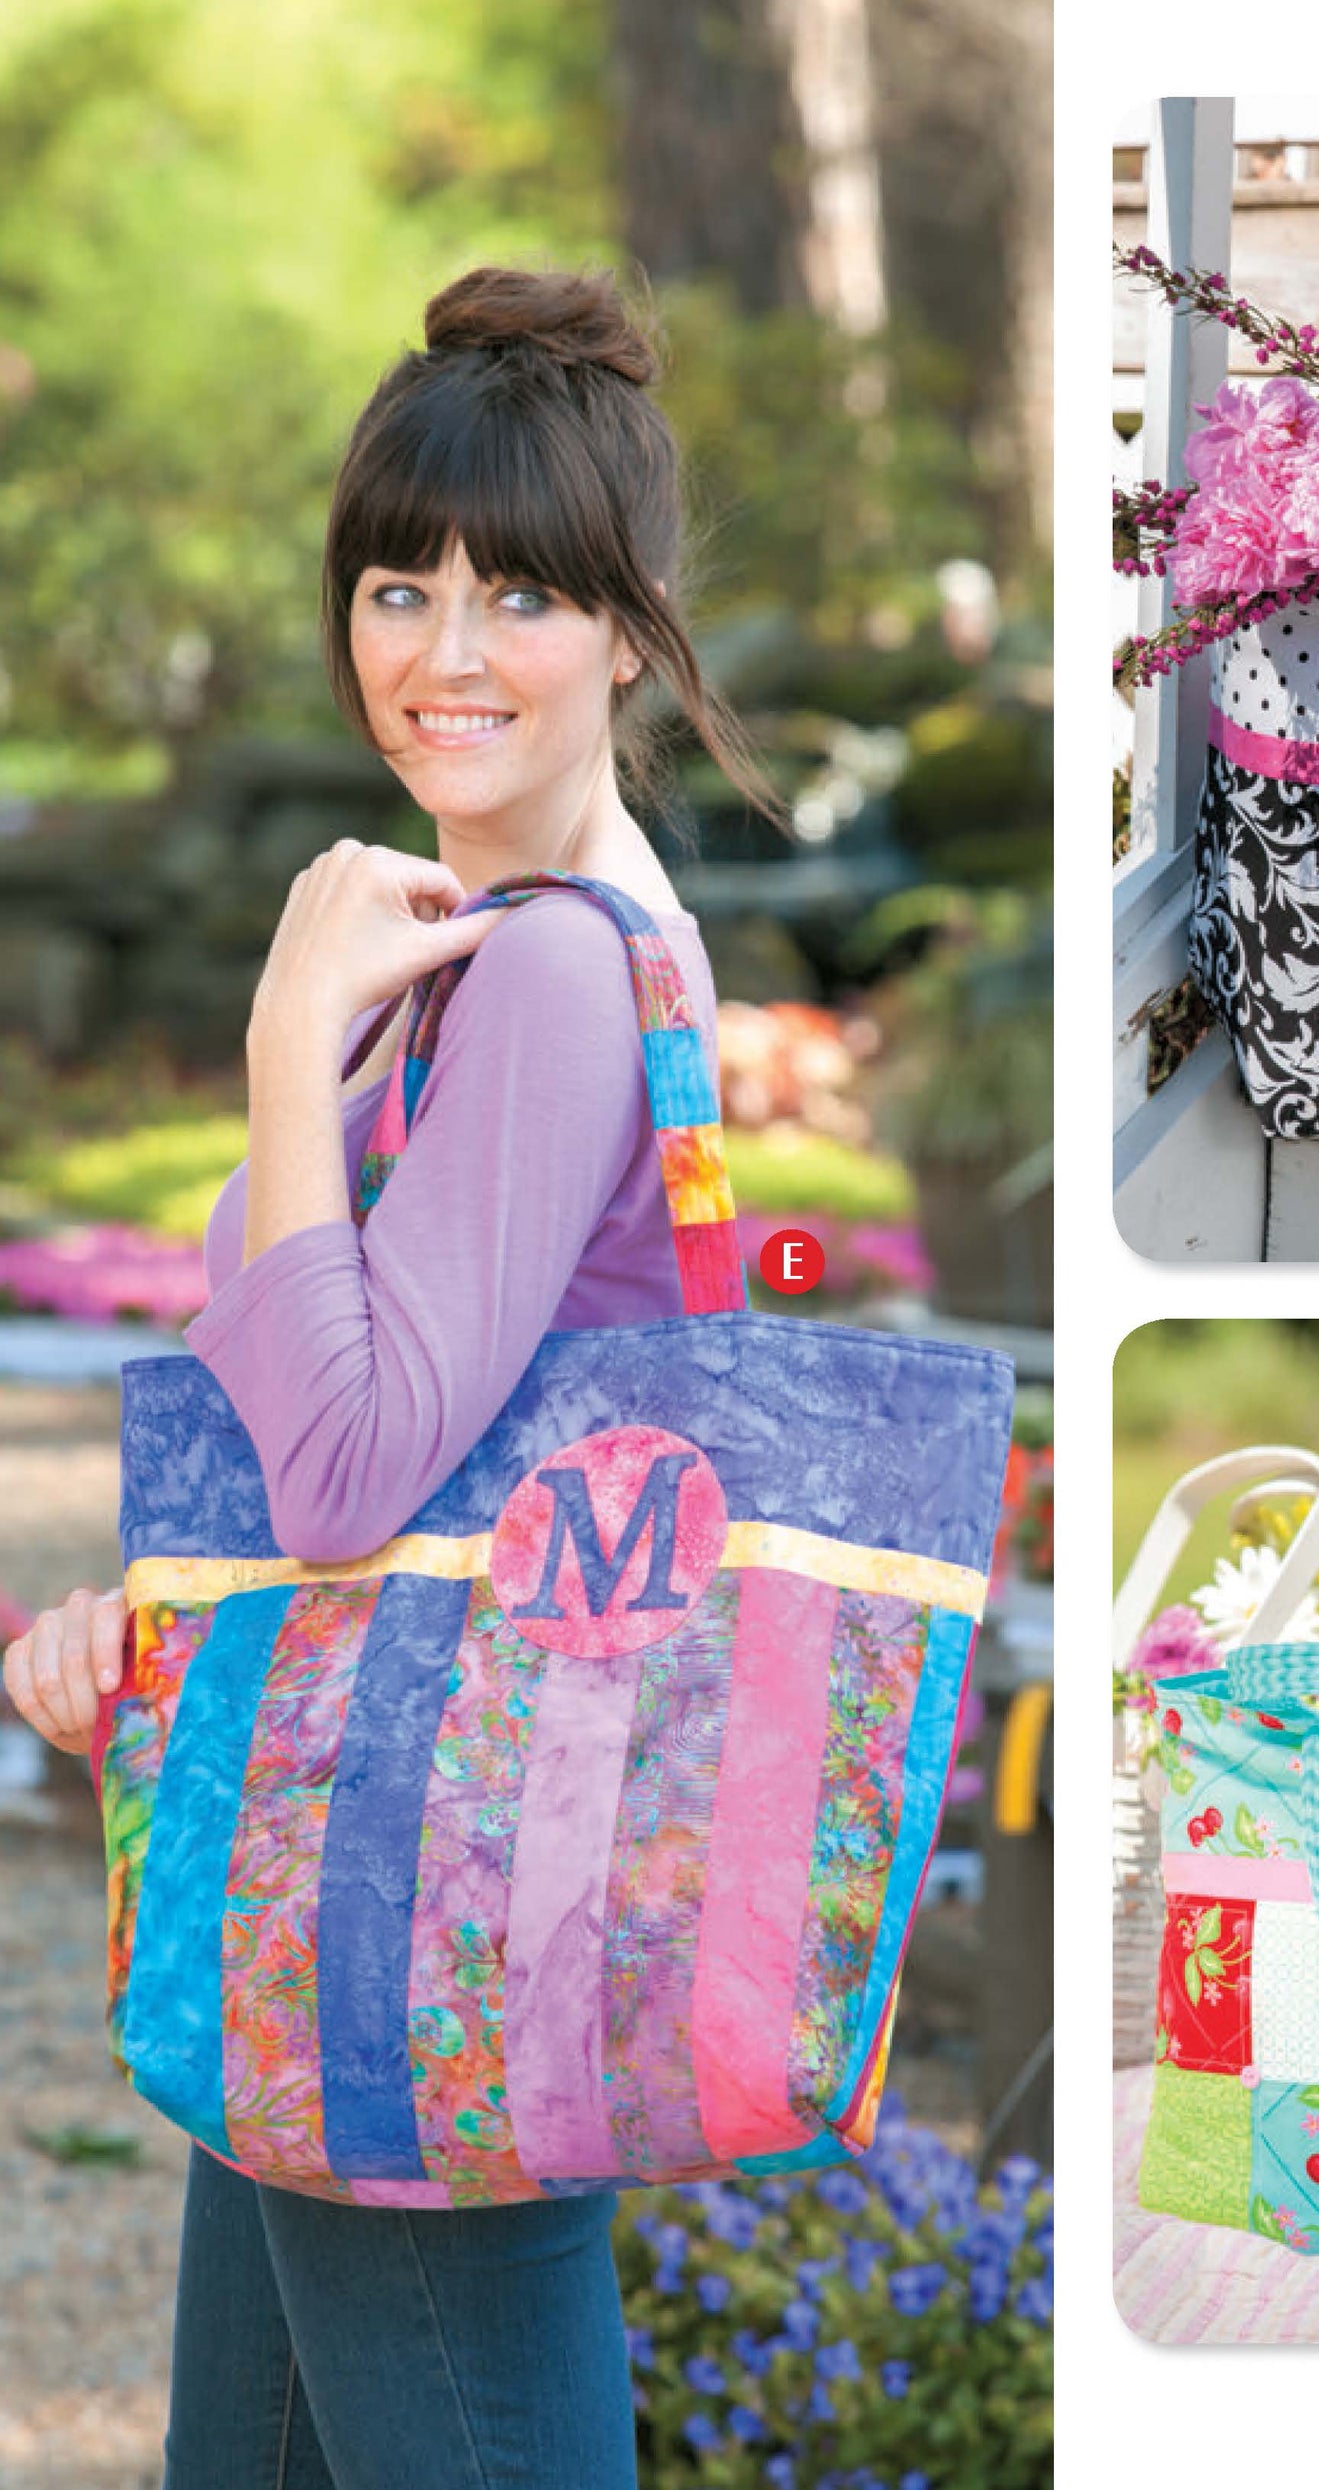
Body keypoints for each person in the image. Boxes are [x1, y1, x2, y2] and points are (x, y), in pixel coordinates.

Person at [3, 263, 776, 2490]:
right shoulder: (464, 964)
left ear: (625, 630)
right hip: (326, 1842)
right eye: (398, 583)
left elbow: (347, 1473)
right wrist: (135, 1630)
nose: (445, 651)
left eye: (522, 594)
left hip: (428, 1902)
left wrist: (276, 1052)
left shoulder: (543, 977)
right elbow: (311, 1445)